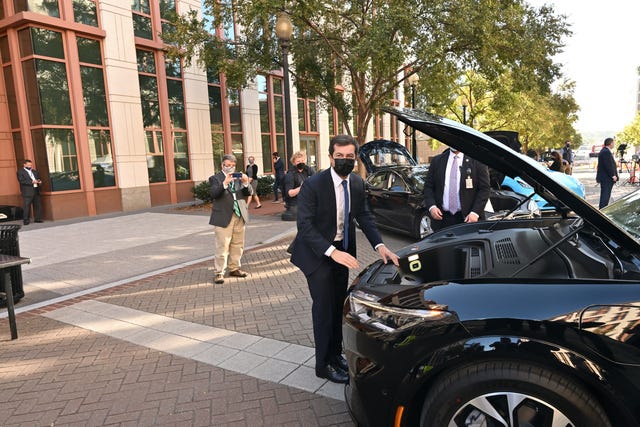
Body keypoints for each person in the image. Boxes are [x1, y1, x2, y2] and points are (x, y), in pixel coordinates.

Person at [290, 135, 399, 384]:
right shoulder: (314, 184)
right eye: (339, 157)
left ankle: (335, 354)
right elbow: (305, 226)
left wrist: (380, 246)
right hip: (318, 254)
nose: (344, 161)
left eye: (350, 157)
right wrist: (332, 251)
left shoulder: (358, 183)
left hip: (344, 251)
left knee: (339, 305)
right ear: (330, 157)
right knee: (324, 308)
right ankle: (322, 364)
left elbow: (365, 216)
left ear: (355, 158)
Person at [209, 154, 253, 284]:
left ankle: (234, 268)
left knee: (238, 244)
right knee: (222, 246)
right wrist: (224, 184)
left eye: (233, 166)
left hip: (239, 214)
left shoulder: (238, 178)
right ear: (222, 165)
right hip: (223, 216)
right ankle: (219, 272)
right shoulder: (215, 178)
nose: (231, 168)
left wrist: (246, 183)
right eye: (228, 165)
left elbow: (249, 193)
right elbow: (213, 194)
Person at [423, 147, 490, 233]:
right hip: (442, 219)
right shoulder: (437, 161)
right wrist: (432, 207)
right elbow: (428, 187)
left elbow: (484, 189)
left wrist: (475, 212)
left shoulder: (477, 161)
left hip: (468, 219)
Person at [282, 151, 314, 220]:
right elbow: (289, 193)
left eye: (302, 160)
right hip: (295, 202)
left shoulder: (307, 170)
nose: (301, 163)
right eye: (298, 161)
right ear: (294, 163)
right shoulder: (290, 175)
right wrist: (302, 187)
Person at [17, 159, 43, 225]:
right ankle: (26, 220)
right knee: (27, 206)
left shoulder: (34, 171)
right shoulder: (20, 172)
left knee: (37, 205)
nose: (30, 166)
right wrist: (32, 182)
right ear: (24, 164)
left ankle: (37, 219)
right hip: (27, 192)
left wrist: (39, 181)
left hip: (36, 190)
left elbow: (38, 178)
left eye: (31, 165)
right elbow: (21, 181)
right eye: (28, 165)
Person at [596, 137, 618, 209]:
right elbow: (608, 165)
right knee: (605, 196)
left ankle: (603, 210)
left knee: (606, 195)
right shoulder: (606, 152)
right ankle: (602, 211)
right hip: (606, 178)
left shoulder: (605, 151)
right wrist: (613, 175)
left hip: (605, 178)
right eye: (613, 143)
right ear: (610, 143)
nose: (614, 144)